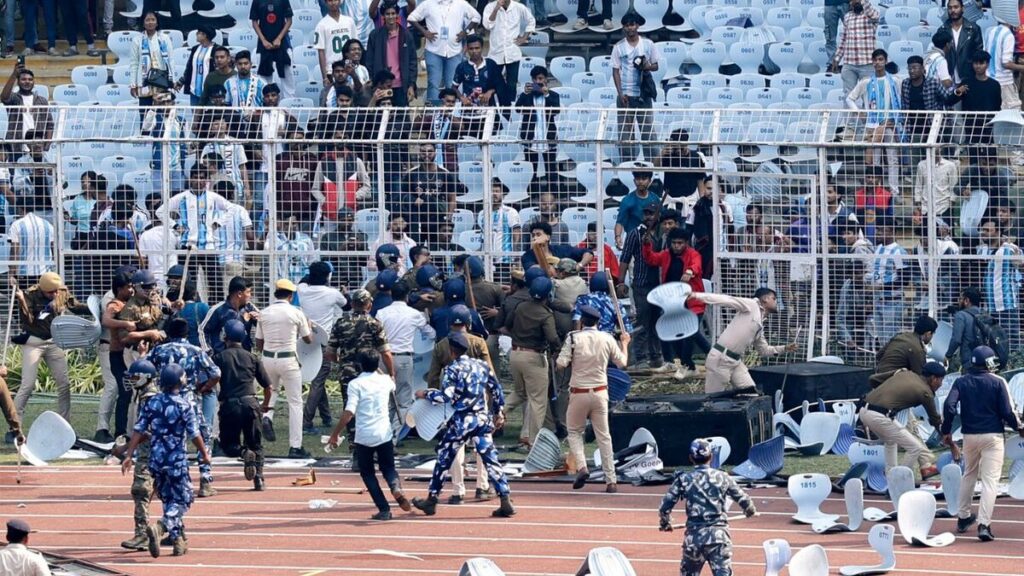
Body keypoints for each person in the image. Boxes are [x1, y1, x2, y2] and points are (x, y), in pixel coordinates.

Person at [412, 330, 515, 518]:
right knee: (490, 458)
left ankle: (432, 499)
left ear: (452, 351)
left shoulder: (453, 369)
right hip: (482, 419)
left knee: (444, 457)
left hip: (461, 421)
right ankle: (504, 497)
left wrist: (425, 394)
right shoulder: (482, 366)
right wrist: (498, 412)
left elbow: (446, 396)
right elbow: (496, 389)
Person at [121, 364, 211, 558]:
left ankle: (179, 541)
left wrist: (129, 454)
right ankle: (161, 527)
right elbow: (194, 433)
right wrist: (204, 454)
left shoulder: (152, 403)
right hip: (176, 459)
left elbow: (139, 429)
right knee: (183, 499)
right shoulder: (184, 404)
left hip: (156, 459)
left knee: (168, 499)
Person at [942, 345, 1024, 542]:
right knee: (989, 481)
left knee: (969, 474)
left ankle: (962, 517)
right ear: (988, 363)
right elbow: (1007, 411)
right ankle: (984, 524)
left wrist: (946, 430)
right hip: (992, 436)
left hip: (969, 436)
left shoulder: (961, 381)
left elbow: (949, 405)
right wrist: (1019, 426)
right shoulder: (998, 381)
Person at [326, 350, 412, 520]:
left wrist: (335, 434)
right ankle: (396, 487)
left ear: (359, 365)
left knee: (367, 473)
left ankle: (384, 509)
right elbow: (391, 382)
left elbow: (349, 411)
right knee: (388, 468)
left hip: (364, 435)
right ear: (377, 365)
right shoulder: (386, 381)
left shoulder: (355, 384)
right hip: (384, 433)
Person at [426, 304, 495, 503]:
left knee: (456, 444)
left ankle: (458, 490)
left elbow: (433, 376)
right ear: (468, 323)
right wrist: (491, 399)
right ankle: (482, 486)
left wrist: (434, 398)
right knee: (482, 444)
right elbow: (490, 372)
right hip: (478, 398)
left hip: (453, 399)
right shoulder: (478, 342)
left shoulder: (441, 345)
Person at [658, 439, 758, 576]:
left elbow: (665, 506)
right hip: (719, 538)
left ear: (691, 458)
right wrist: (749, 510)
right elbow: (744, 500)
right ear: (711, 457)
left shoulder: (683, 479)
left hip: (694, 539)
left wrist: (665, 523)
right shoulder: (723, 477)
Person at [557, 305, 629, 493]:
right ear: (598, 322)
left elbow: (561, 364)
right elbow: (622, 363)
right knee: (604, 436)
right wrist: (625, 344)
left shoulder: (573, 337)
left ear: (582, 321)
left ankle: (582, 467)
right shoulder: (607, 338)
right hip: (600, 392)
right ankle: (611, 480)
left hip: (579, 392)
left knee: (574, 432)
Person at [146, 317, 221, 496]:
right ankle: (205, 479)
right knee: (203, 436)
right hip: (189, 399)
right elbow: (216, 373)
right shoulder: (195, 351)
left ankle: (160, 481)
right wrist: (204, 387)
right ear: (187, 333)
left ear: (169, 333)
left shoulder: (158, 351)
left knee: (164, 438)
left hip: (164, 401)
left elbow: (145, 369)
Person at [11, 272, 91, 426]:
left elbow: (75, 307)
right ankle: (15, 425)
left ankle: (64, 424)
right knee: (27, 385)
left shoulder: (61, 291)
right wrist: (22, 301)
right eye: (50, 292)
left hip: (54, 342)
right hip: (34, 342)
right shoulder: (30, 294)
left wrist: (96, 308)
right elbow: (30, 321)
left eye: (56, 291)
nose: (54, 294)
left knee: (64, 384)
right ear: (42, 289)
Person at [687, 288, 797, 393]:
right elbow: (726, 300)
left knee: (750, 394)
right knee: (712, 400)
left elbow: (763, 350)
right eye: (774, 298)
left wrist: (785, 348)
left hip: (735, 362)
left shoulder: (759, 323)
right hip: (721, 359)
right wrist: (696, 296)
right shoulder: (752, 304)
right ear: (765, 299)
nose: (776, 302)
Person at [326, 289, 394, 450]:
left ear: (352, 304)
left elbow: (329, 353)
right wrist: (391, 374)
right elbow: (386, 353)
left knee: (350, 408)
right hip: (371, 372)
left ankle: (355, 448)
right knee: (376, 406)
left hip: (347, 372)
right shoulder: (374, 324)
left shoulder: (340, 323)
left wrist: (342, 362)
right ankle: (380, 444)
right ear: (369, 304)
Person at [256, 279, 314, 459]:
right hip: (288, 358)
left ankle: (267, 418)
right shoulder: (296, 313)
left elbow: (259, 342)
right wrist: (309, 327)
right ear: (291, 295)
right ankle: (295, 446)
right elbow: (308, 339)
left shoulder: (264, 313)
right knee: (295, 403)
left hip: (267, 357)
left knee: (270, 393)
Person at [213, 319, 272, 492]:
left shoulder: (218, 357)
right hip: (251, 403)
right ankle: (259, 479)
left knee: (228, 445)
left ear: (225, 336)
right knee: (256, 443)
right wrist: (264, 406)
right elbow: (268, 387)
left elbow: (210, 379)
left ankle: (243, 453)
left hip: (230, 405)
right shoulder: (252, 358)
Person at [859, 361, 945, 478]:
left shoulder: (905, 373)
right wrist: (945, 436)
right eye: (941, 380)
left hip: (864, 410)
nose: (941, 384)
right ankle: (898, 479)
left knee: (890, 442)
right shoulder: (926, 392)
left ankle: (890, 475)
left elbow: (873, 379)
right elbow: (935, 419)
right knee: (915, 447)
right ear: (933, 378)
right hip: (879, 416)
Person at [643, 226, 709, 379]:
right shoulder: (666, 255)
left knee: (690, 334)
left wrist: (689, 272)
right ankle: (686, 363)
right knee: (674, 331)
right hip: (672, 303)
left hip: (692, 302)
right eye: (674, 243)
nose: (677, 246)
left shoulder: (693, 254)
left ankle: (692, 363)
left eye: (680, 243)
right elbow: (651, 259)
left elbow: (696, 265)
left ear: (686, 243)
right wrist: (646, 245)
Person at [505, 275, 560, 446]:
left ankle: (498, 412)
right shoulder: (545, 314)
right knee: (537, 401)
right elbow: (552, 337)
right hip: (534, 357)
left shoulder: (520, 306)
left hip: (515, 354)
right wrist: (558, 349)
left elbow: (507, 324)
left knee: (519, 393)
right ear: (547, 295)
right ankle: (534, 442)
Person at [298, 261, 347, 433]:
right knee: (318, 381)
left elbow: (302, 281)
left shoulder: (302, 290)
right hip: (323, 342)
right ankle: (306, 423)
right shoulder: (332, 293)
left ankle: (326, 416)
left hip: (304, 340)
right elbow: (346, 304)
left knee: (316, 378)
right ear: (327, 277)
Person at [846, 49, 903, 196]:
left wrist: (897, 120)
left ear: (885, 61)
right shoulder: (865, 82)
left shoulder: (895, 81)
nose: (877, 63)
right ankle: (878, 191)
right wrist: (860, 113)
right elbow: (850, 98)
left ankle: (894, 191)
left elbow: (900, 102)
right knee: (875, 159)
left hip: (889, 124)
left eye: (880, 60)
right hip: (872, 125)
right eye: (875, 60)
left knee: (892, 159)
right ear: (872, 62)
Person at [118, 359, 160, 551]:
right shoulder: (149, 394)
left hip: (149, 454)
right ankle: (175, 532)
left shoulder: (149, 398)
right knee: (166, 493)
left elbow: (147, 431)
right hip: (163, 453)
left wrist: (127, 449)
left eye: (135, 377)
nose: (132, 380)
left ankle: (142, 534)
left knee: (141, 491)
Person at [376, 281, 434, 417]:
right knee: (404, 398)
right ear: (407, 296)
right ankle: (397, 433)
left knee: (384, 397)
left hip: (384, 357)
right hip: (404, 358)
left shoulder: (381, 313)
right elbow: (431, 333)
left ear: (391, 294)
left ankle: (386, 432)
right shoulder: (414, 314)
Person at [408, 0, 481, 105]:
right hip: (433, 50)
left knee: (451, 85)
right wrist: (424, 32)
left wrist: (466, 32)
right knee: (433, 84)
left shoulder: (461, 3)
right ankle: (433, 115)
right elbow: (411, 18)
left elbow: (476, 17)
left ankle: (451, 117)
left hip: (454, 51)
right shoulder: (428, 3)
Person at [618, 204, 664, 369]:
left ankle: (656, 357)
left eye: (652, 213)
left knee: (656, 322)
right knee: (643, 322)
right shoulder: (635, 234)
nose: (649, 216)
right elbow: (625, 258)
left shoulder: (662, 235)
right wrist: (621, 281)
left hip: (659, 286)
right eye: (646, 213)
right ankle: (640, 358)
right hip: (641, 284)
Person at [612, 12, 659, 163]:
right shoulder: (618, 47)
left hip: (643, 95)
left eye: (632, 24)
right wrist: (620, 93)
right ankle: (627, 165)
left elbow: (656, 66)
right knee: (626, 135)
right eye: (626, 25)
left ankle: (652, 167)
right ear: (623, 27)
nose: (629, 28)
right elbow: (615, 71)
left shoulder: (648, 44)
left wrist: (647, 66)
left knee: (648, 133)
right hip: (626, 96)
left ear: (637, 26)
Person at [482, 0, 535, 106]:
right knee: (493, 83)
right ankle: (496, 109)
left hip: (512, 53)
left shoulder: (519, 7)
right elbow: (487, 25)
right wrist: (496, 9)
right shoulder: (490, 7)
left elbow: (531, 20)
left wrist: (524, 37)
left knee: (512, 85)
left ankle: (510, 110)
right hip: (495, 54)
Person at [366, 2, 417, 107]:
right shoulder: (374, 35)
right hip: (381, 85)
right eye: (387, 14)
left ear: (397, 15)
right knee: (380, 119)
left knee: (402, 120)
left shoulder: (406, 35)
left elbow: (412, 61)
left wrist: (411, 85)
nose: (391, 16)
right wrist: (373, 81)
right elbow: (369, 61)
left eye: (393, 13)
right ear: (383, 16)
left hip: (401, 85)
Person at [946, 51, 1002, 143]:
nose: (978, 66)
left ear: (987, 64)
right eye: (976, 63)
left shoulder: (994, 85)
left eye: (981, 63)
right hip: (971, 123)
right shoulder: (966, 83)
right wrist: (958, 91)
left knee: (990, 152)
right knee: (973, 152)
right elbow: (949, 101)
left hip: (988, 123)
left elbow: (997, 105)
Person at [514, 66, 560, 179]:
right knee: (530, 170)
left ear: (546, 80)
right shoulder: (526, 95)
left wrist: (546, 94)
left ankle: (552, 194)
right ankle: (531, 193)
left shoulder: (554, 95)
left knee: (551, 170)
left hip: (548, 137)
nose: (538, 82)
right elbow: (518, 109)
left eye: (540, 78)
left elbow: (556, 110)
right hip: (530, 137)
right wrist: (524, 94)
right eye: (535, 79)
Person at [869, 314, 936, 387]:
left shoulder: (899, 336)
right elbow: (921, 376)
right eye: (933, 334)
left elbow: (879, 355)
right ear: (928, 334)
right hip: (892, 384)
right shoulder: (917, 349)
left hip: (878, 379)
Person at [831, 0, 880, 93]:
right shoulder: (847, 16)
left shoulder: (872, 14)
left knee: (867, 95)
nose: (857, 1)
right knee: (848, 95)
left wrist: (862, 1)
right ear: (850, 2)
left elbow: (871, 12)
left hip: (867, 63)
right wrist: (837, 58)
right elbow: (844, 39)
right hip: (849, 64)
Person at [129, 12, 175, 111]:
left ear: (157, 23)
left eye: (153, 20)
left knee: (164, 115)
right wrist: (133, 84)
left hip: (163, 83)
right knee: (146, 116)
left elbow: (171, 60)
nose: (150, 22)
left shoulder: (164, 39)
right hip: (144, 83)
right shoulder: (137, 40)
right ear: (143, 23)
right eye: (147, 20)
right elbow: (134, 63)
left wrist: (173, 80)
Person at [251, 0, 296, 98]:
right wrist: (263, 40)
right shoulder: (257, 1)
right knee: (265, 79)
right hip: (264, 45)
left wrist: (279, 38)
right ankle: (267, 106)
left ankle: (288, 106)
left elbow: (289, 20)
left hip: (283, 44)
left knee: (287, 77)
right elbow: (254, 22)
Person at [937, 0, 984, 85]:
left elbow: (978, 54)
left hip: (968, 76)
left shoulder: (974, 29)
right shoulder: (942, 30)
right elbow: (939, 55)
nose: (953, 10)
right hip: (948, 77)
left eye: (956, 7)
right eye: (950, 8)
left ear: (962, 8)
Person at [983, 19, 1024, 110]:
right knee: (1012, 115)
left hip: (989, 79)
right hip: (1004, 82)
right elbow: (1006, 63)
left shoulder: (990, 31)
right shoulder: (1008, 35)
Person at [315, 0, 357, 87]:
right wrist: (324, 77)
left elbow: (354, 44)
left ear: (340, 1)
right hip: (332, 70)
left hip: (349, 67)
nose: (333, 3)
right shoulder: (321, 25)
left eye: (335, 0)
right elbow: (321, 52)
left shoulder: (349, 21)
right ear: (326, 3)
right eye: (330, 1)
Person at [615, 169, 660, 249]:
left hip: (652, 242)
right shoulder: (627, 200)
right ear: (634, 181)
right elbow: (620, 222)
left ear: (650, 181)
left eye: (644, 179)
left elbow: (661, 220)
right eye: (638, 179)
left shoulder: (655, 199)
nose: (640, 182)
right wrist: (618, 237)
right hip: (633, 241)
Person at [176, 25, 217, 106]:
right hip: (194, 90)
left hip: (210, 92)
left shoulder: (217, 49)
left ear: (205, 35)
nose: (196, 34)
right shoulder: (195, 49)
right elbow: (189, 68)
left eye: (198, 33)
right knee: (195, 116)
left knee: (209, 117)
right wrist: (181, 81)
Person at [946, 287, 983, 369]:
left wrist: (948, 356)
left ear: (966, 301)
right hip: (985, 358)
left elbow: (956, 340)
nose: (958, 301)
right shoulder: (984, 314)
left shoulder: (961, 315)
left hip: (969, 361)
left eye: (960, 299)